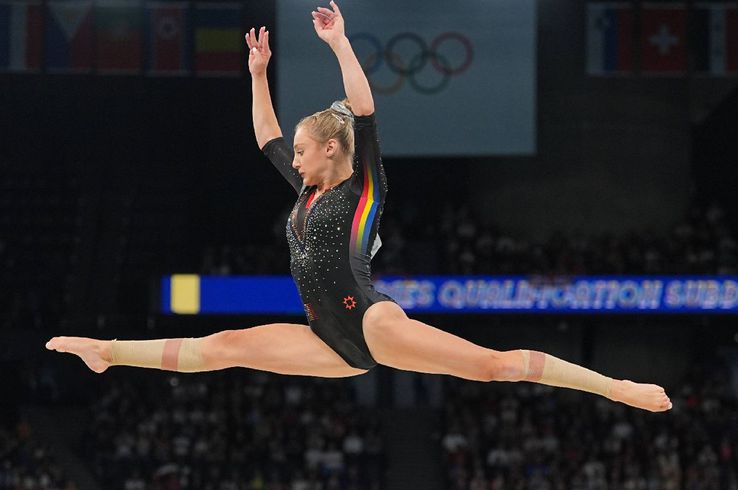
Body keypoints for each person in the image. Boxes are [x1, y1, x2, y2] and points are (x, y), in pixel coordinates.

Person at [46, 1, 671, 413]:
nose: (293, 159)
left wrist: (339, 44)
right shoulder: (308, 194)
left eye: (302, 151)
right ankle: (108, 350)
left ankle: (616, 387)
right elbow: (265, 138)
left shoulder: (360, 187)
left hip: (370, 321)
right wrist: (258, 74)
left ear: (331, 150)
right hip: (327, 339)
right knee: (225, 344)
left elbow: (364, 112)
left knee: (492, 366)